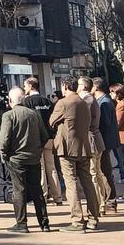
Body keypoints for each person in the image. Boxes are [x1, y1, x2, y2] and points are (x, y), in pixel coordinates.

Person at [50, 76, 101, 232]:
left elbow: (51, 121)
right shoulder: (84, 102)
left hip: (67, 148)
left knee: (71, 183)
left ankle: (77, 220)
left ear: (65, 86)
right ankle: (93, 218)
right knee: (88, 182)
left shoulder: (63, 102)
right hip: (84, 147)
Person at [0, 87, 51, 233]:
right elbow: (44, 135)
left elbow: (4, 139)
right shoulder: (34, 114)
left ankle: (22, 223)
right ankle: (44, 223)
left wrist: (4, 155)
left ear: (10, 101)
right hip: (33, 157)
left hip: (16, 158)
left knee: (19, 190)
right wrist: (38, 149)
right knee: (37, 190)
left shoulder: (8, 115)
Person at [22, 77, 63, 205]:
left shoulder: (26, 102)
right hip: (49, 137)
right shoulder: (47, 101)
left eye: (25, 85)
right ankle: (58, 197)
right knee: (52, 168)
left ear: (30, 85)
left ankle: (43, 196)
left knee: (40, 168)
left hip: (36, 139)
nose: (24, 88)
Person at [78, 76, 110, 214]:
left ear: (84, 86)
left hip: (91, 141)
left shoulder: (87, 100)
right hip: (96, 140)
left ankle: (99, 204)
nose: (77, 87)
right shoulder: (92, 100)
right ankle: (102, 202)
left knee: (94, 174)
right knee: (97, 173)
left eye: (79, 84)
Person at [92, 78, 120, 212]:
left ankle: (110, 199)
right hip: (106, 141)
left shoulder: (104, 103)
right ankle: (110, 198)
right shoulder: (104, 101)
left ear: (96, 88)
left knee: (104, 171)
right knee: (105, 170)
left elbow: (105, 123)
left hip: (104, 141)